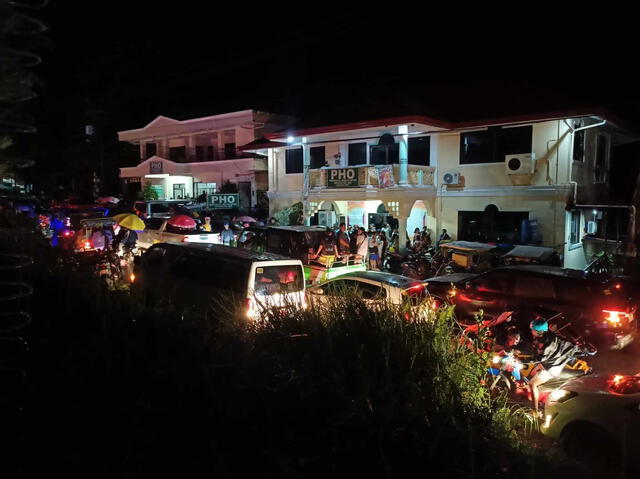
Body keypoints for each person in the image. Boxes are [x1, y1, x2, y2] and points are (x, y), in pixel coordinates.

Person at [527, 318, 578, 416]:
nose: (531, 331)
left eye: (532, 329)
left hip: (552, 368)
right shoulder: (549, 336)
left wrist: (523, 360)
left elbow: (540, 358)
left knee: (532, 384)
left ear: (538, 331)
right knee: (533, 372)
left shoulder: (546, 344)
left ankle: (535, 411)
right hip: (551, 363)